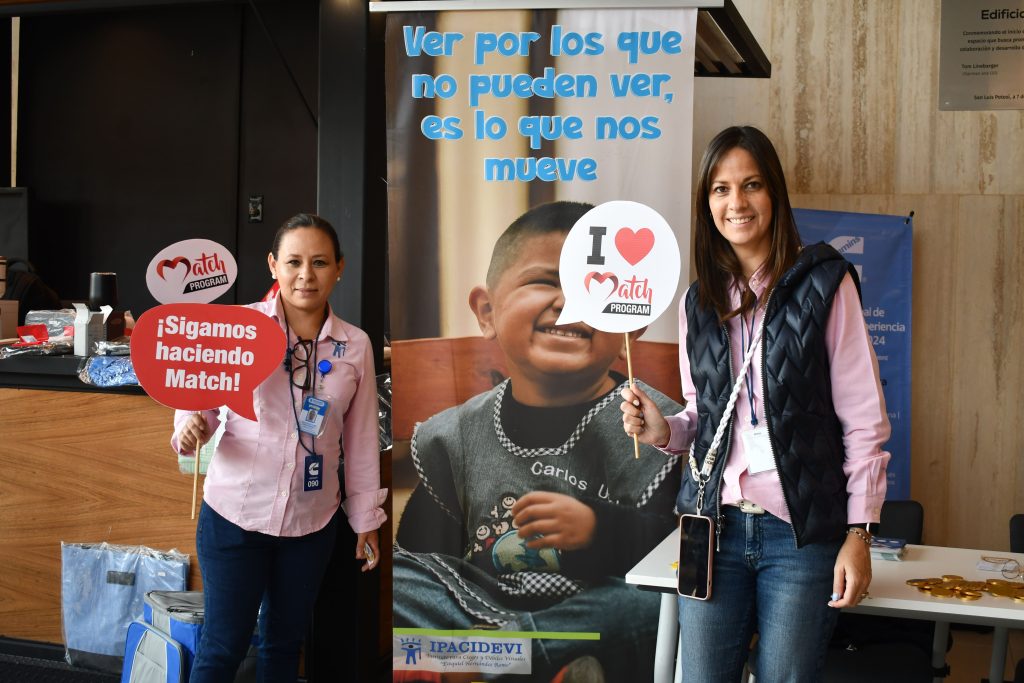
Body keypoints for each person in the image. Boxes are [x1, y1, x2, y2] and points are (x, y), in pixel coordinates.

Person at [621, 125, 891, 682]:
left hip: (797, 534)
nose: (736, 203)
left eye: (751, 185)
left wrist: (859, 535)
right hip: (710, 527)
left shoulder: (825, 283)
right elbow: (703, 418)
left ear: (775, 195)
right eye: (720, 189)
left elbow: (864, 420)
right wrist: (661, 430)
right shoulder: (698, 301)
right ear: (706, 203)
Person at [392, 201, 683, 682]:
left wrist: (598, 528)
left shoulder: (659, 428)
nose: (569, 304)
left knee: (653, 603)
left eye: (595, 288)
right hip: (479, 610)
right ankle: (517, 664)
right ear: (487, 311)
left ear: (632, 321)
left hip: (586, 613)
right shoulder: (457, 435)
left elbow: (680, 555)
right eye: (546, 281)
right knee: (401, 579)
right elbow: (422, 561)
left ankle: (495, 663)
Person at [171, 213, 386, 682]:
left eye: (319, 262)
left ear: (339, 268)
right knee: (222, 647)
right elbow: (200, 405)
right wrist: (192, 426)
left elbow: (362, 438)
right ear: (273, 265)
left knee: (284, 647)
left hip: (312, 523)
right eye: (293, 262)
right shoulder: (238, 327)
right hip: (234, 517)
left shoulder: (356, 346)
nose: (305, 275)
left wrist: (366, 519)